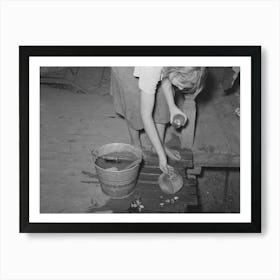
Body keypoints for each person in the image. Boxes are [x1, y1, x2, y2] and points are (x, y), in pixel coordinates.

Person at [111, 66, 207, 173]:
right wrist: (162, 157)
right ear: (178, 72)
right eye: (181, 84)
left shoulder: (173, 68)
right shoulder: (152, 69)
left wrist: (172, 107)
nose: (180, 89)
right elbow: (146, 116)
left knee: (162, 96)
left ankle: (158, 144)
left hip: (157, 68)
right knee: (133, 99)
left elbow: (165, 76)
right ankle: (136, 144)